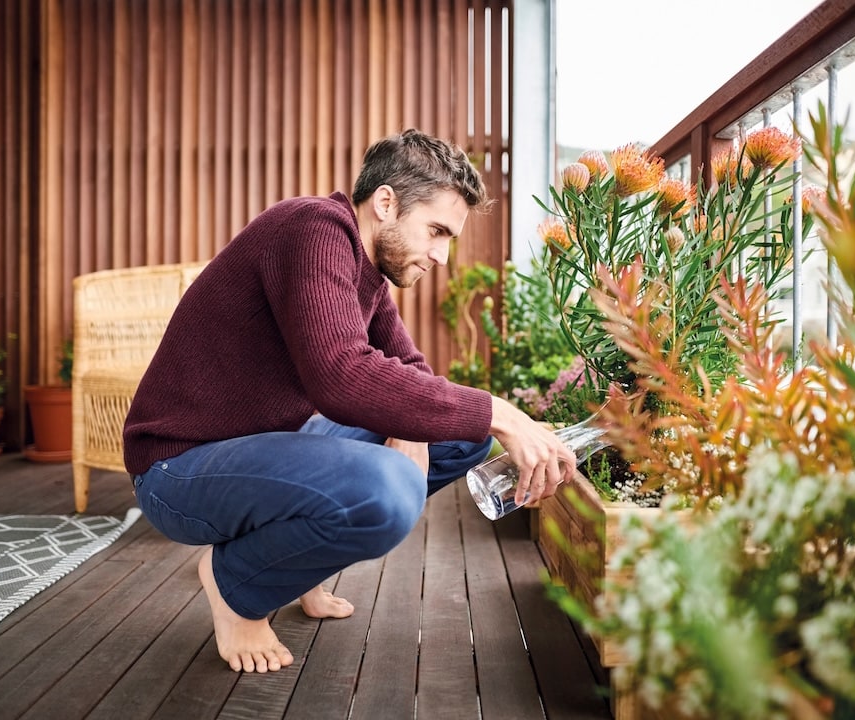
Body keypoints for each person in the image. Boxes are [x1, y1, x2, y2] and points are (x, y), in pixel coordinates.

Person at [123, 129, 576, 675]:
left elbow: (409, 372)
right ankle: (236, 585)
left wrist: (416, 423)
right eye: (435, 230)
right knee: (387, 490)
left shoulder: (367, 273)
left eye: (448, 238)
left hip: (262, 450)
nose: (441, 255)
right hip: (179, 468)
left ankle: (293, 566)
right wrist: (502, 412)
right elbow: (338, 374)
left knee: (458, 436)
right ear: (386, 202)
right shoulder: (313, 228)